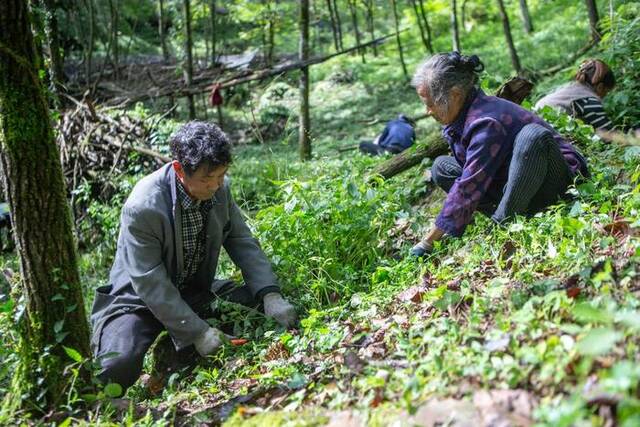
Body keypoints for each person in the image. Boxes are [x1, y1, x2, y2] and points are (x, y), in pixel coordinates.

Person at [90, 121, 297, 392]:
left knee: (259, 309)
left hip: (193, 291)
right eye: (206, 179)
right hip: (137, 301)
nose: (215, 185)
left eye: (221, 176)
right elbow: (150, 282)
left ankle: (172, 352)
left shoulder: (221, 190)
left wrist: (270, 295)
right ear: (179, 169)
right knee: (117, 366)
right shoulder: (143, 207)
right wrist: (196, 332)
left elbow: (241, 241)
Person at [409, 52, 589, 257]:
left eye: (430, 103)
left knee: (533, 136)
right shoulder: (461, 118)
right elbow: (470, 176)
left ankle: (504, 221)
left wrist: (427, 242)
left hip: (556, 182)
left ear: (455, 95)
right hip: (518, 183)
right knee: (442, 166)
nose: (428, 111)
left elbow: (470, 184)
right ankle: (513, 212)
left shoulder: (486, 121)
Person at [535, 59, 615, 131]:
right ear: (600, 87)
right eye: (606, 92)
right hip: (549, 129)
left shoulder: (570, 88)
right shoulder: (588, 99)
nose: (605, 96)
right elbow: (608, 132)